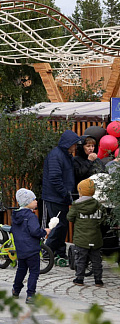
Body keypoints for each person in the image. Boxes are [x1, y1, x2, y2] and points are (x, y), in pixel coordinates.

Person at [41, 130, 80, 260]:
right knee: (57, 226)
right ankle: (48, 251)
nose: (75, 147)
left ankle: (59, 252)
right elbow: (54, 178)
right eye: (74, 144)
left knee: (62, 226)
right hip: (54, 197)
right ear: (68, 144)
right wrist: (65, 193)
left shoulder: (65, 155)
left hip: (61, 197)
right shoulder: (56, 156)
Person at [11, 188, 51, 304]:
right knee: (34, 272)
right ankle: (30, 295)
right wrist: (45, 232)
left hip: (21, 249)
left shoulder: (16, 215)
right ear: (27, 202)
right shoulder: (31, 216)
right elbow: (35, 231)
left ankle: (16, 290)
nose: (36, 201)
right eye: (33, 199)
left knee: (21, 270)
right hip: (32, 249)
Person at [67, 178, 104, 287]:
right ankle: (98, 280)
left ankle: (79, 279)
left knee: (80, 259)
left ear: (80, 191)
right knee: (96, 260)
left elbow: (69, 217)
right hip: (95, 238)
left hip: (81, 239)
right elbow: (103, 218)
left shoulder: (76, 205)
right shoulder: (98, 205)